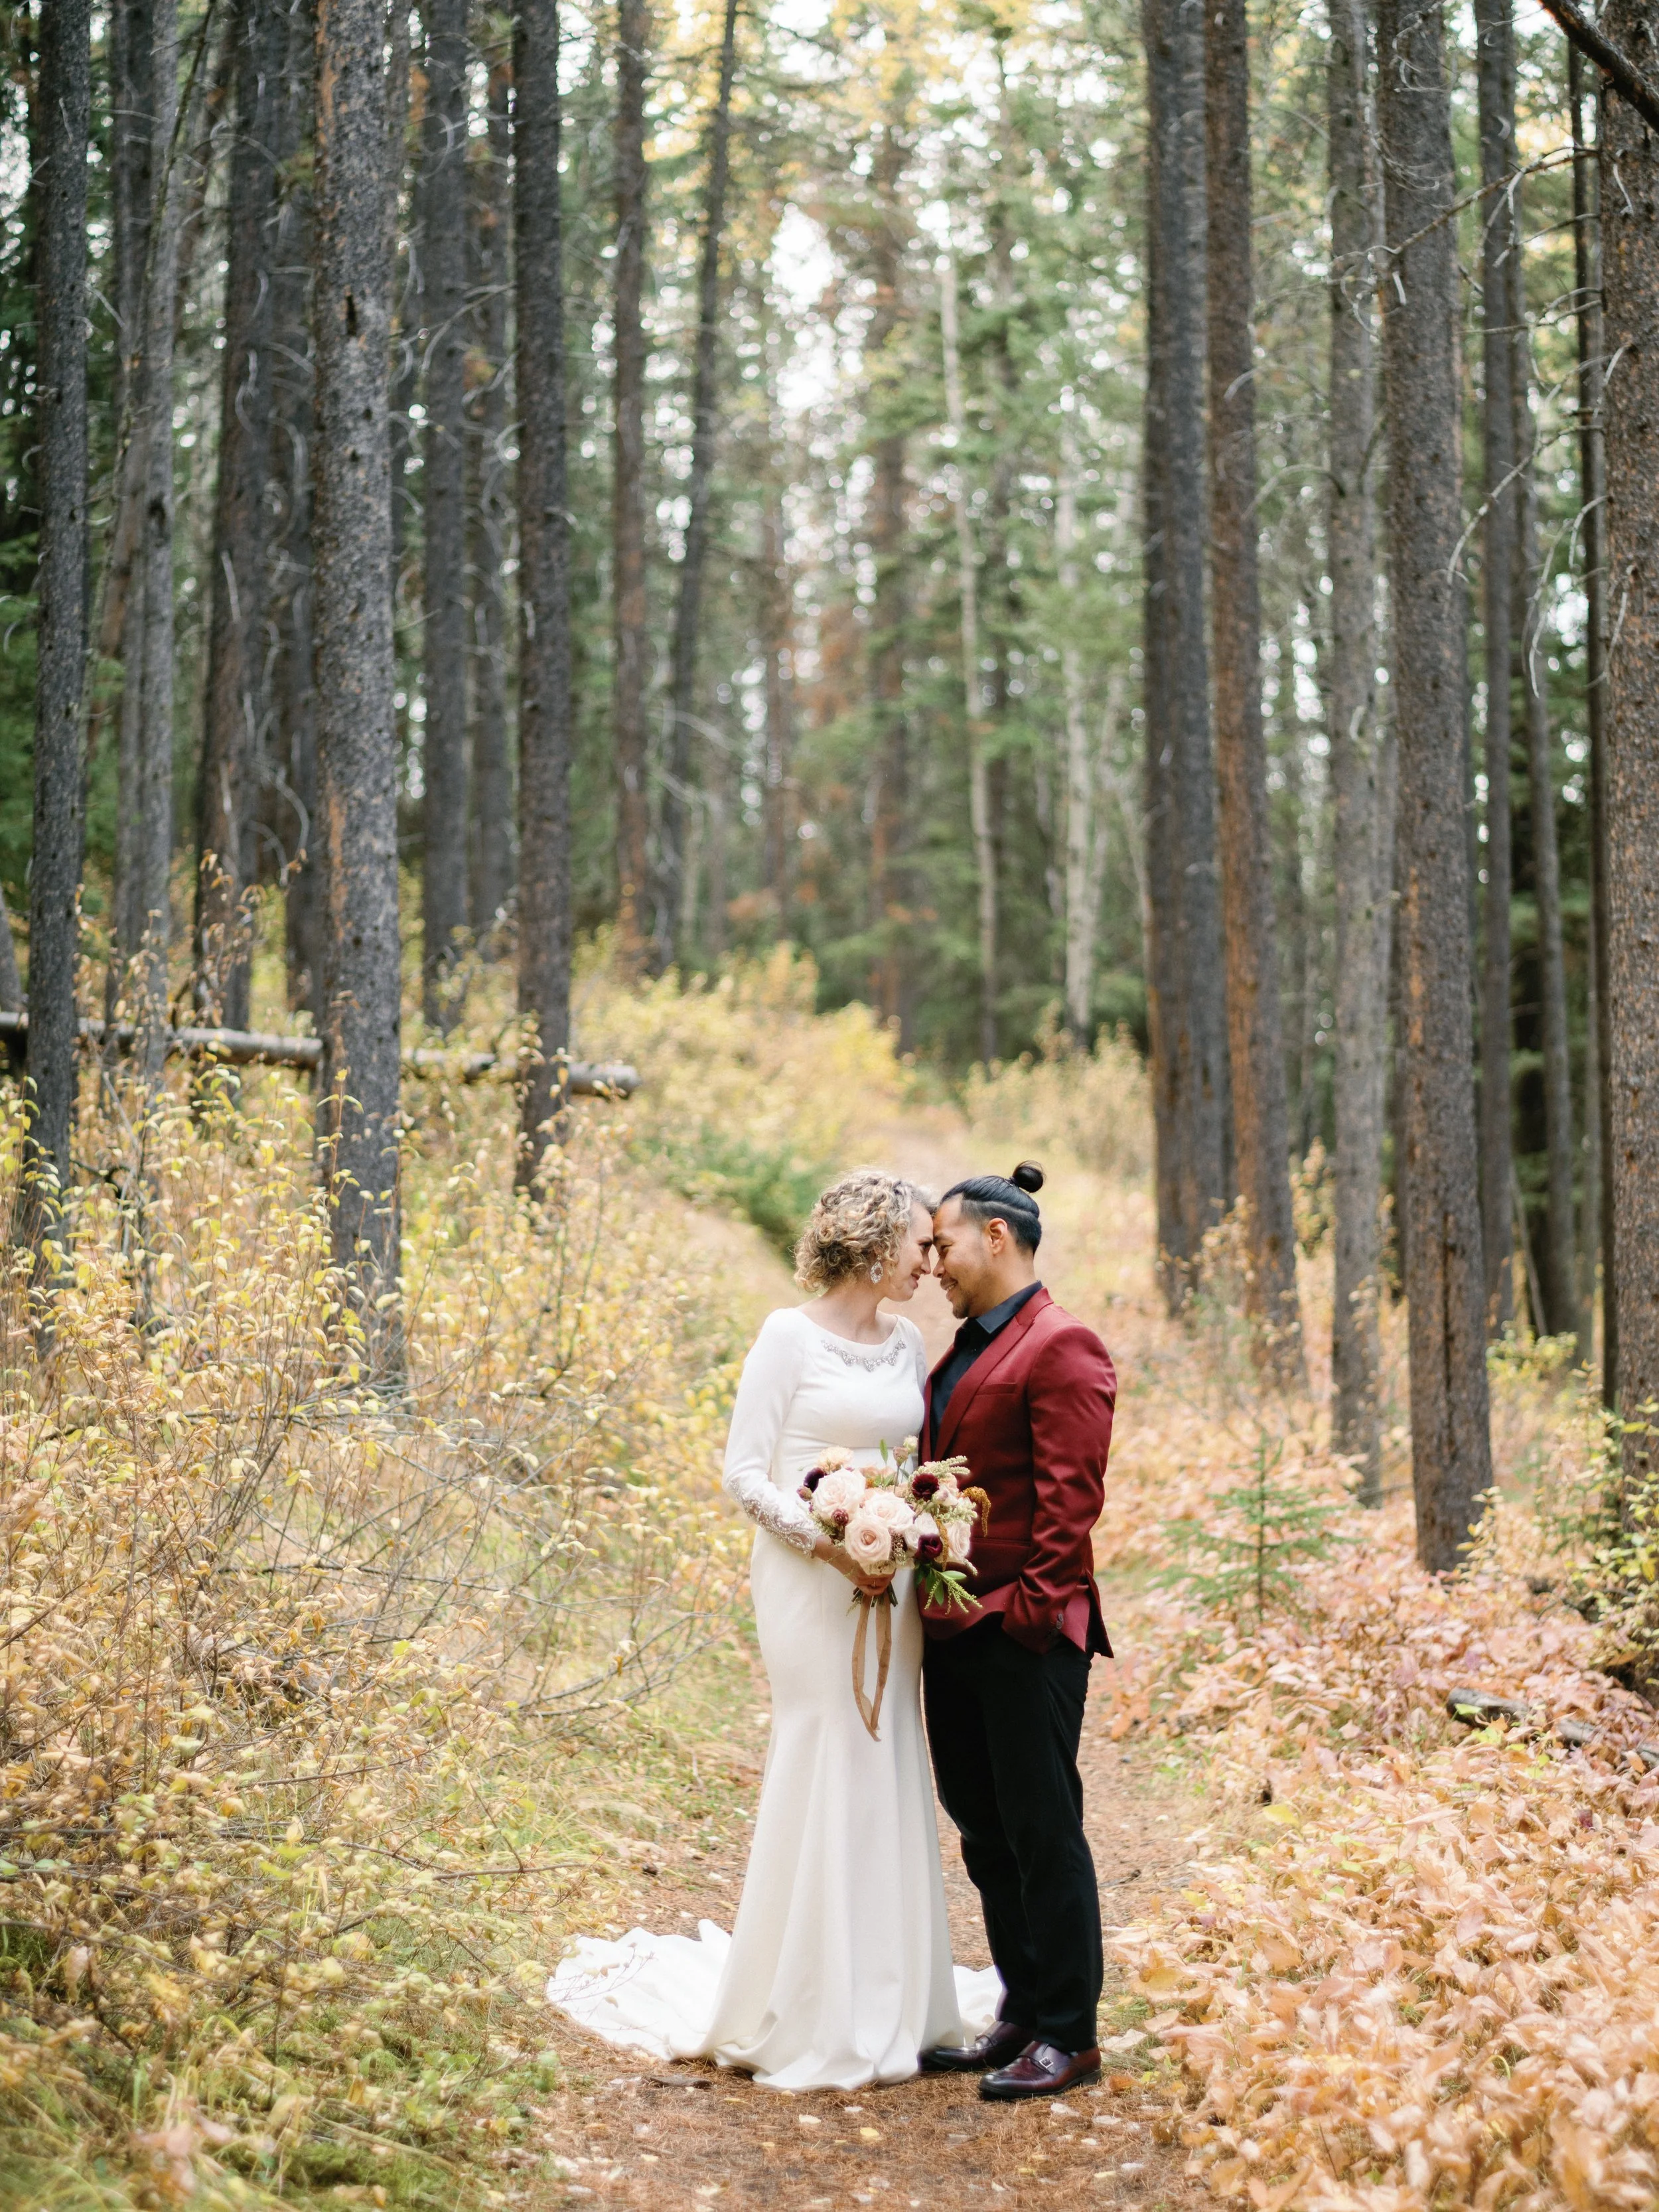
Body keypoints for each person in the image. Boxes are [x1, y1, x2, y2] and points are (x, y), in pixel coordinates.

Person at [546, 1168, 998, 2090]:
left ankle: (894, 1993)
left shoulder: (910, 1344)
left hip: (892, 1576)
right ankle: (807, 1998)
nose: (929, 1260)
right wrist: (827, 1541)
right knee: (826, 1742)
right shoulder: (786, 1339)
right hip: (808, 1580)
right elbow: (745, 1474)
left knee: (885, 1752)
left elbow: (915, 1462)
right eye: (919, 1244)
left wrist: (917, 1528)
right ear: (876, 1246)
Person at [916, 1161, 1117, 2102]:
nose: (932, 1262)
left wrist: (1024, 1619)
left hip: (1024, 1636)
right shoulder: (963, 1348)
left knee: (1043, 1831)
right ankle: (1025, 2011)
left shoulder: (1063, 1345)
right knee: (985, 1833)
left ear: (995, 1236)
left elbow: (1071, 1508)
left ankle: (1071, 2034)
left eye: (941, 1243)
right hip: (954, 1635)